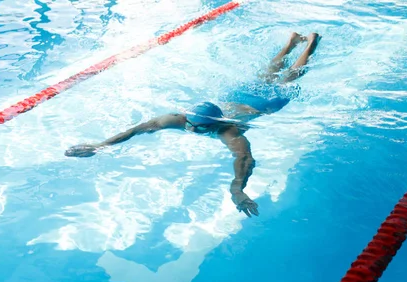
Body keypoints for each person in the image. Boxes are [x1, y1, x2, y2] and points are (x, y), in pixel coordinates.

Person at [65, 32, 321, 218]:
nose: (189, 128)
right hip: (240, 97)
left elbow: (245, 160)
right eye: (188, 123)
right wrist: (101, 145)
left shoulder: (229, 131)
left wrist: (237, 190)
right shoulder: (179, 119)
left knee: (287, 79)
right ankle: (290, 43)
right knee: (264, 75)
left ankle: (309, 44)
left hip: (263, 104)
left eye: (195, 128)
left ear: (209, 127)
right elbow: (138, 128)